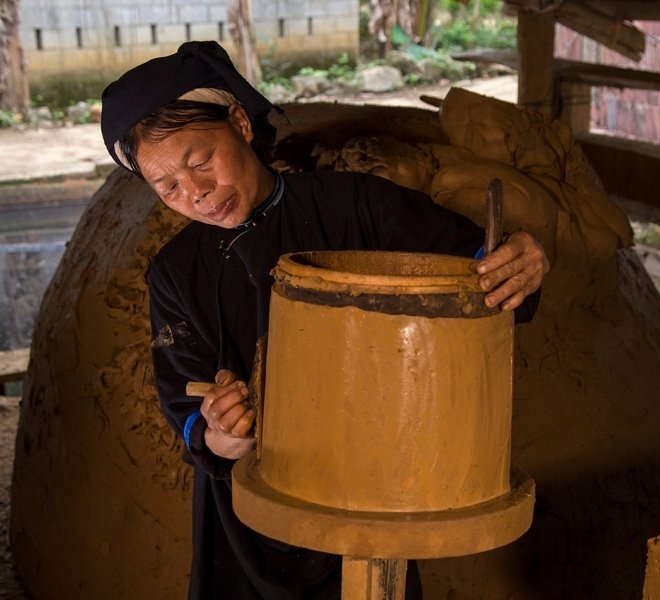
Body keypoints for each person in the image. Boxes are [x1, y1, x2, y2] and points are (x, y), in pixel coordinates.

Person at [101, 40, 548, 599]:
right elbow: (186, 403)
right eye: (167, 187)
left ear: (239, 122)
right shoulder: (175, 272)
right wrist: (220, 435)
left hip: (371, 493)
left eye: (200, 162)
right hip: (243, 519)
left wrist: (518, 264)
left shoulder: (360, 206)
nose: (195, 193)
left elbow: (477, 278)